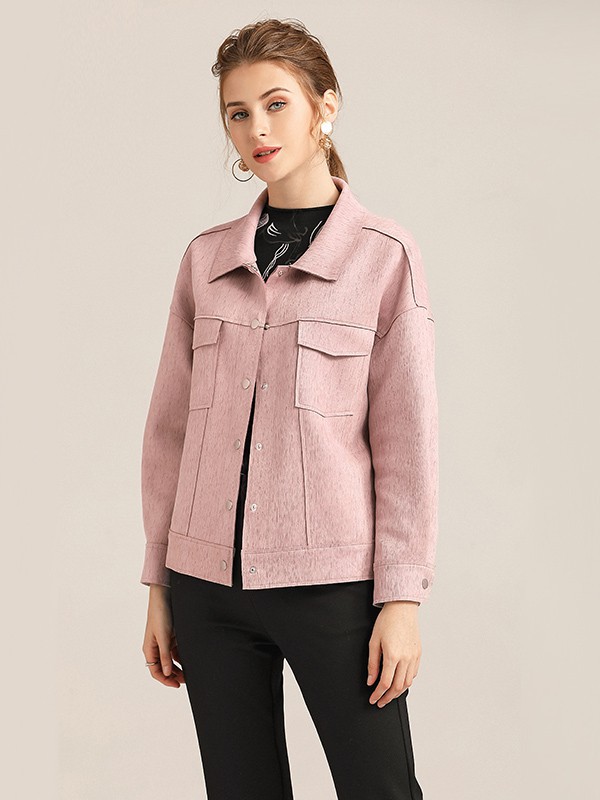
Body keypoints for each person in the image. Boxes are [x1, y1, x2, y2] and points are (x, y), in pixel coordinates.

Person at [140, 17, 438, 800]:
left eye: (276, 104)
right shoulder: (206, 260)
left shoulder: (384, 257)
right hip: (207, 588)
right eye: (238, 113)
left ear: (325, 107)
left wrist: (401, 599)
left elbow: (408, 443)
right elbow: (170, 431)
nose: (258, 130)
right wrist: (160, 585)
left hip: (333, 584)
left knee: (381, 788)